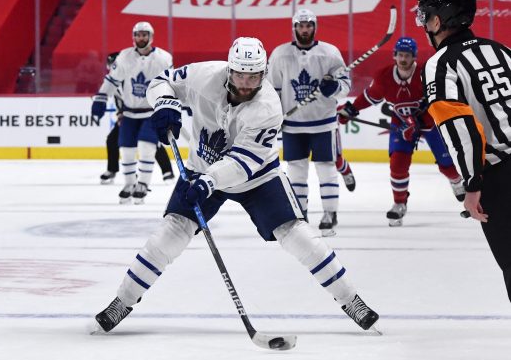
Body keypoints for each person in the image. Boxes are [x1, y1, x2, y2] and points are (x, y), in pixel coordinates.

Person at [92, 37, 379, 334]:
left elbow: (242, 163)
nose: (245, 83)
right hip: (201, 169)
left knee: (297, 236)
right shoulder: (205, 75)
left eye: (253, 75)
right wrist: (165, 103)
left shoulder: (268, 107)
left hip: (258, 176)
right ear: (229, 69)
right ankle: (122, 302)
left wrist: (208, 182)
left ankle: (351, 300)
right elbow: (160, 81)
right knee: (169, 234)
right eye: (240, 74)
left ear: (263, 73)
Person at [417, 0, 511, 302]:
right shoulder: (501, 51)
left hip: (500, 178)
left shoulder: (440, 63)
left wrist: (472, 185)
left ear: (439, 21)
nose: (424, 23)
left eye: (427, 16)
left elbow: (464, 129)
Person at [337, 36, 465, 226]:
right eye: (400, 55)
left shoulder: (425, 73)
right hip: (401, 124)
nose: (403, 59)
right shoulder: (385, 76)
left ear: (414, 57)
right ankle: (399, 203)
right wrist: (352, 109)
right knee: (398, 164)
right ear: (395, 56)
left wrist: (419, 118)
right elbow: (370, 96)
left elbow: (439, 98)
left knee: (447, 164)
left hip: (429, 122)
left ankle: (456, 181)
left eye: (407, 55)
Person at [267, 9, 355, 237]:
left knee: (325, 168)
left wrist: (333, 88)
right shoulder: (279, 54)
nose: (304, 30)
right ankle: (300, 213)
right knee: (296, 171)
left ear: (314, 27)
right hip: (292, 123)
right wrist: (274, 115)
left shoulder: (329, 53)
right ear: (294, 27)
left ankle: (330, 213)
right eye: (300, 26)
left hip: (323, 123)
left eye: (308, 26)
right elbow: (272, 89)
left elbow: (345, 84)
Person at [91, 22, 173, 203]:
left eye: (144, 35)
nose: (141, 38)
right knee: (126, 150)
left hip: (151, 112)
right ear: (133, 36)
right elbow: (112, 80)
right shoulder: (125, 56)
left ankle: (142, 184)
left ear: (151, 37)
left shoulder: (163, 58)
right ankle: (129, 183)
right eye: (138, 35)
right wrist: (101, 97)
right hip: (129, 113)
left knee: (146, 147)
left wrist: (169, 108)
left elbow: (171, 85)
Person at [99, 52, 175, 185]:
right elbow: (118, 101)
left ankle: (167, 172)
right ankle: (112, 170)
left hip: (146, 115)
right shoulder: (114, 83)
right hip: (128, 117)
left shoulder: (136, 75)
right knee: (112, 140)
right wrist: (120, 114)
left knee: (150, 142)